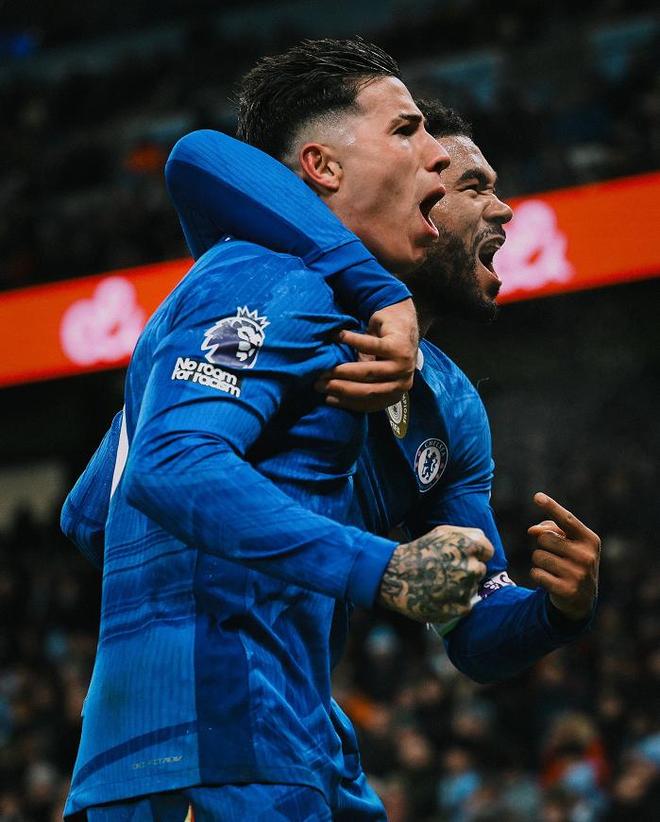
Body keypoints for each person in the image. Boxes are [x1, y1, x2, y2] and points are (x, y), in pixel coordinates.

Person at [61, 40, 495, 820]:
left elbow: (91, 513)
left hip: (279, 738)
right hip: (208, 750)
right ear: (322, 167)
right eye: (406, 130)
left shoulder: (412, 373)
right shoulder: (268, 277)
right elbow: (171, 465)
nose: (435, 154)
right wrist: (381, 566)